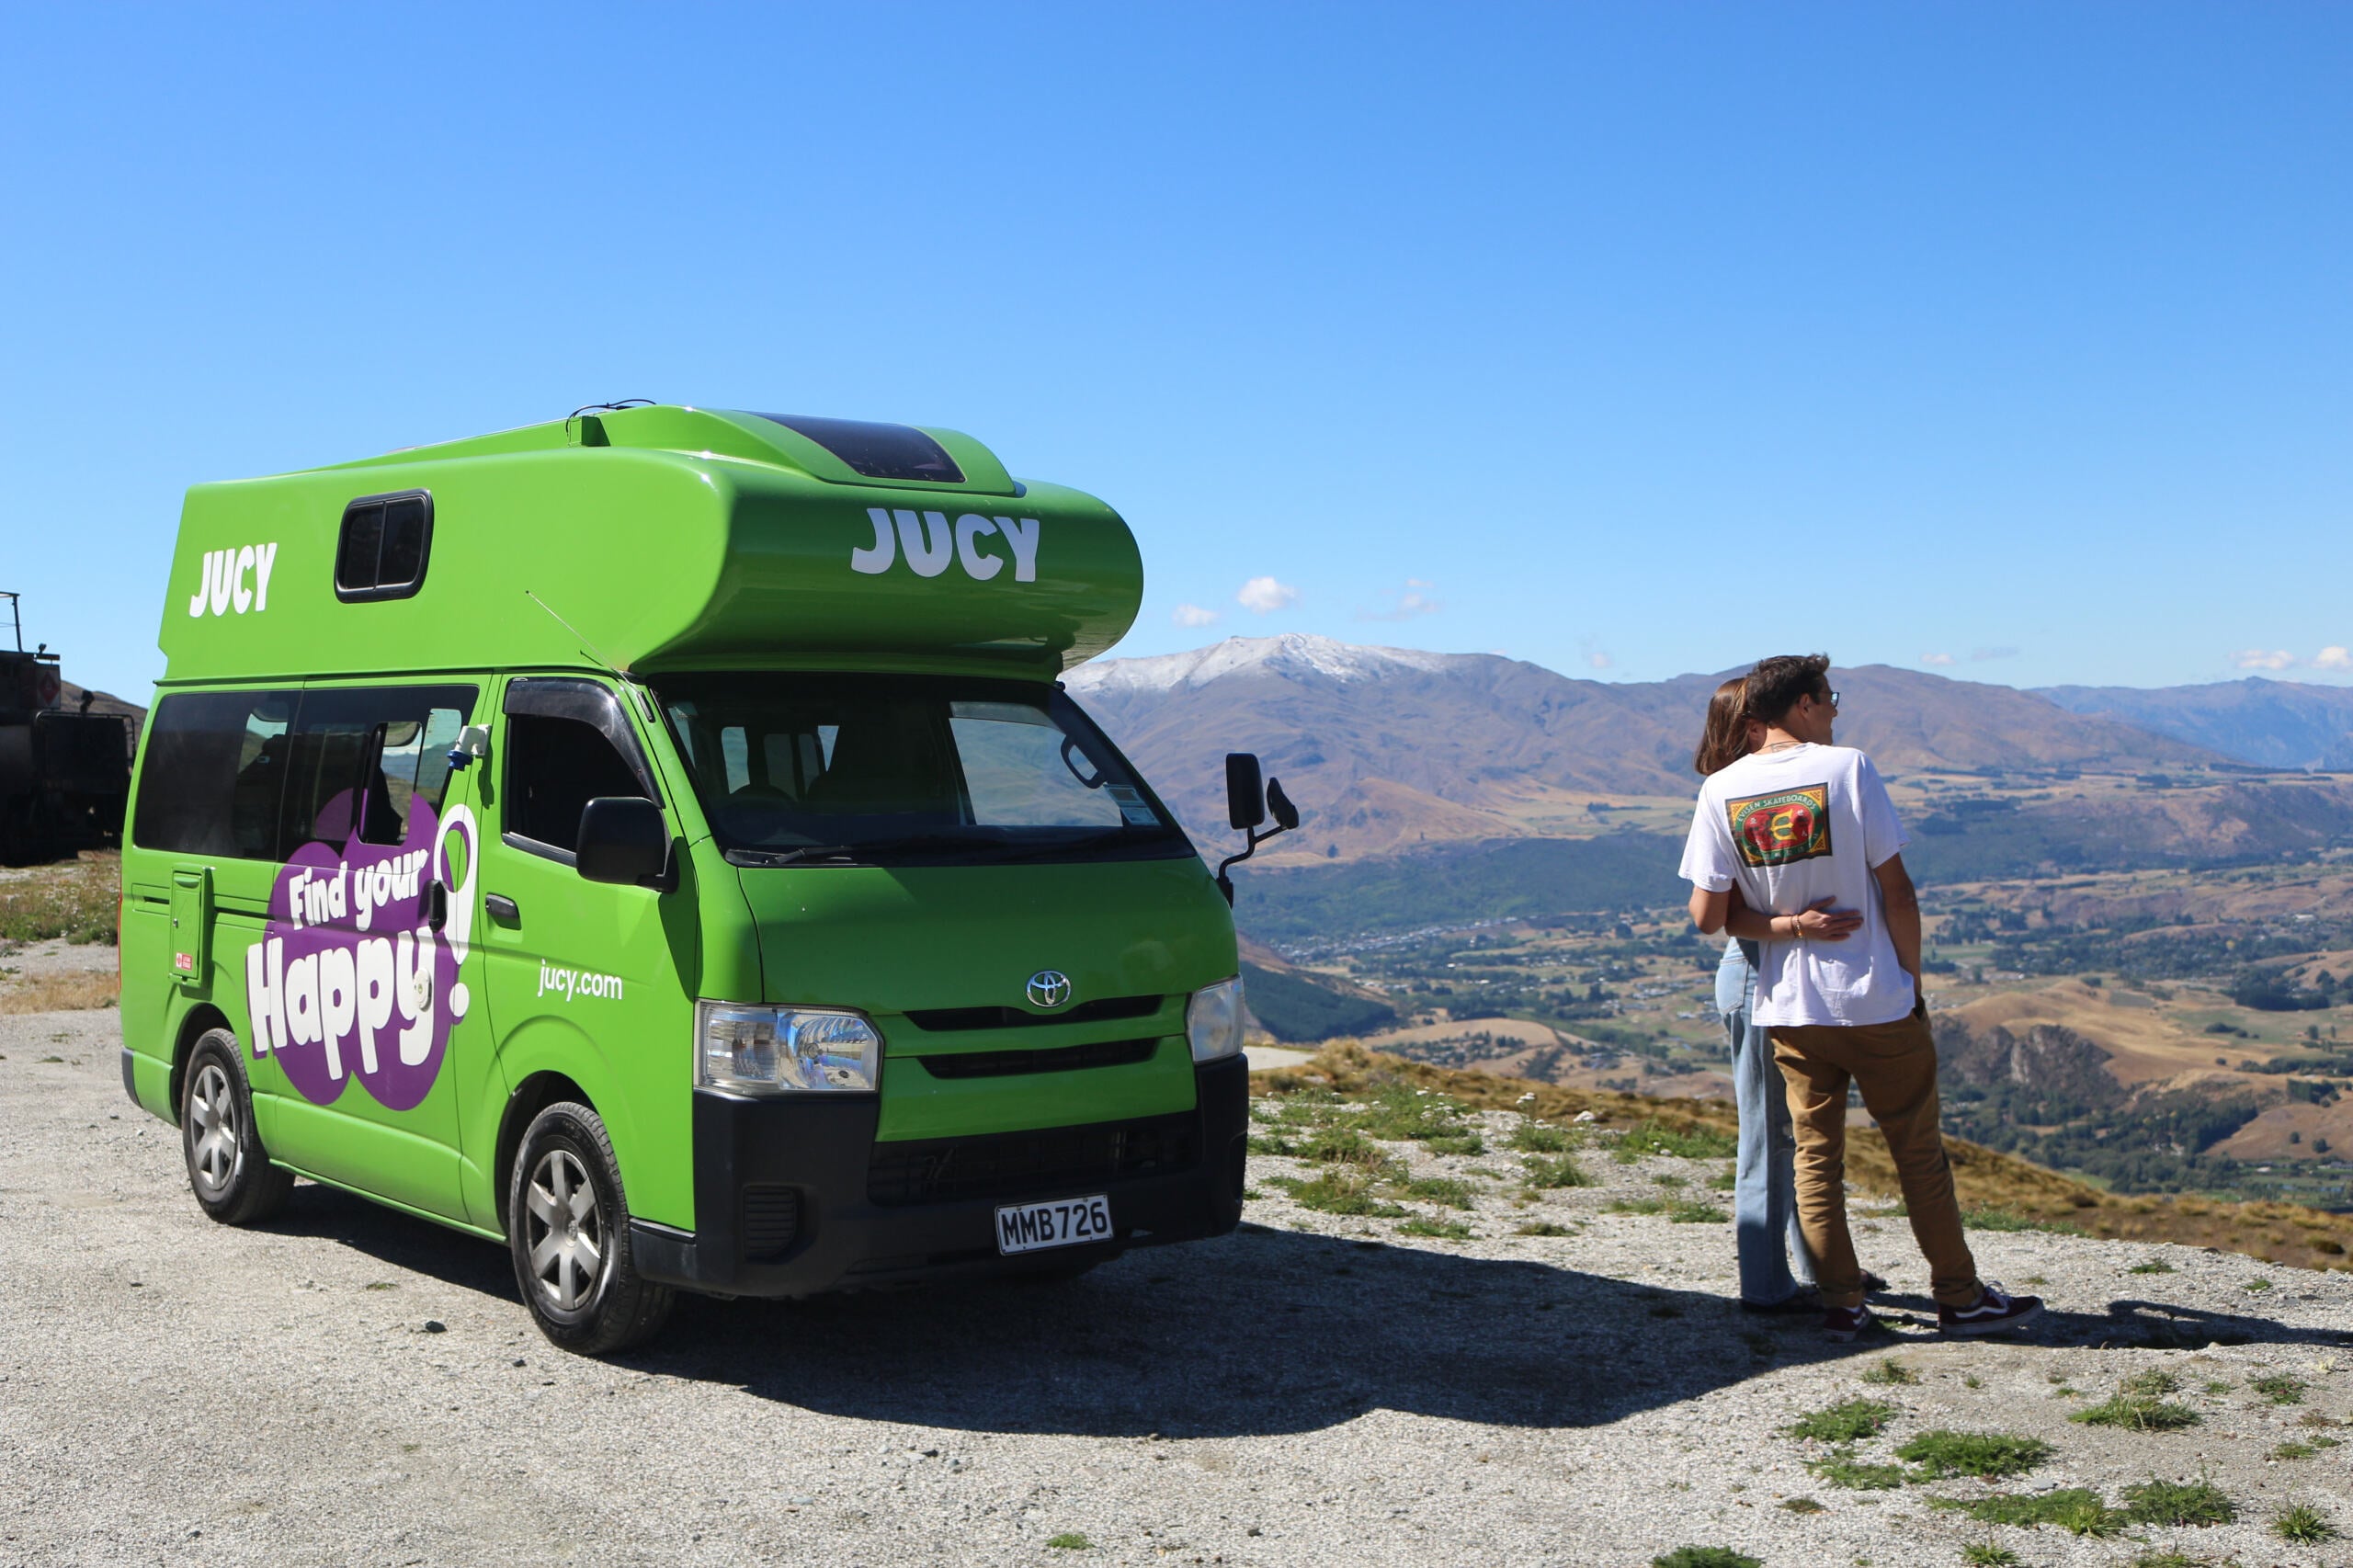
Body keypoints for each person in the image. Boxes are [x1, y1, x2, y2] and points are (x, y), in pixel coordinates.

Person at [1679, 654, 2041, 1342]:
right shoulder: (1848, 769)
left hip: (1790, 1007)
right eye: (1830, 698)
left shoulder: (1719, 791)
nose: (1836, 711)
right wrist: (1912, 982)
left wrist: (1788, 928)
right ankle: (1959, 1297)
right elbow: (1898, 891)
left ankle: (1842, 1303)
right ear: (1804, 705)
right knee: (1917, 1153)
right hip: (1872, 997)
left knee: (1815, 1159)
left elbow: (1711, 917)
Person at [1693, 680, 1882, 1313]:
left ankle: (1819, 1266)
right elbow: (1708, 914)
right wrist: (1795, 926)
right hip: (1756, 974)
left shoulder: (1746, 793)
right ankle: (1766, 1287)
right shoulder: (1728, 796)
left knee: (1801, 1132)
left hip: (1783, 977)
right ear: (1754, 724)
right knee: (1769, 1134)